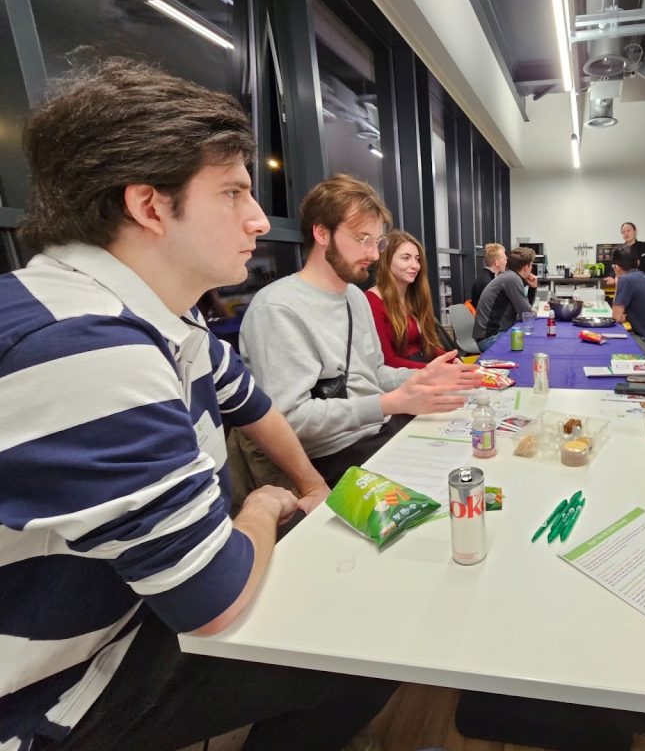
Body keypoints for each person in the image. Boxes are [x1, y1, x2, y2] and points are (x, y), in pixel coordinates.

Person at [0, 59, 395, 751]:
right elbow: (212, 603)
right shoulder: (86, 345)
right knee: (363, 645)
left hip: (130, 612)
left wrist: (310, 486)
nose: (257, 219)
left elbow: (253, 402)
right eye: (235, 194)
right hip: (57, 696)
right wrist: (264, 507)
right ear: (150, 205)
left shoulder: (159, 317)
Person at [240, 174, 477, 488]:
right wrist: (390, 403)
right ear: (322, 232)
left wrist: (419, 378)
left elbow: (373, 373)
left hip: (378, 433)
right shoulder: (277, 309)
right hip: (330, 459)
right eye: (362, 238)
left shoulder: (354, 296)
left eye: (377, 242)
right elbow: (290, 420)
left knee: (474, 460)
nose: (375, 254)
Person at [366, 230, 445, 369]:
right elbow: (387, 361)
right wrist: (432, 370)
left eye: (417, 259)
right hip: (402, 378)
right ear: (387, 260)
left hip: (424, 369)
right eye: (406, 258)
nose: (415, 265)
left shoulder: (414, 298)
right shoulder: (372, 301)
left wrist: (452, 360)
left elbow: (428, 347)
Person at [472, 246, 537, 351]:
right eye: (531, 265)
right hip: (490, 338)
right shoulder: (512, 279)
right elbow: (526, 314)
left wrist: (532, 288)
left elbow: (524, 314)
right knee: (532, 346)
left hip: (488, 335)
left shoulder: (508, 276)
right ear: (526, 267)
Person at [470, 242, 507, 309]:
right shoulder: (488, 282)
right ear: (497, 262)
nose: (506, 262)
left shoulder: (486, 277)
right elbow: (499, 307)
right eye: (504, 259)